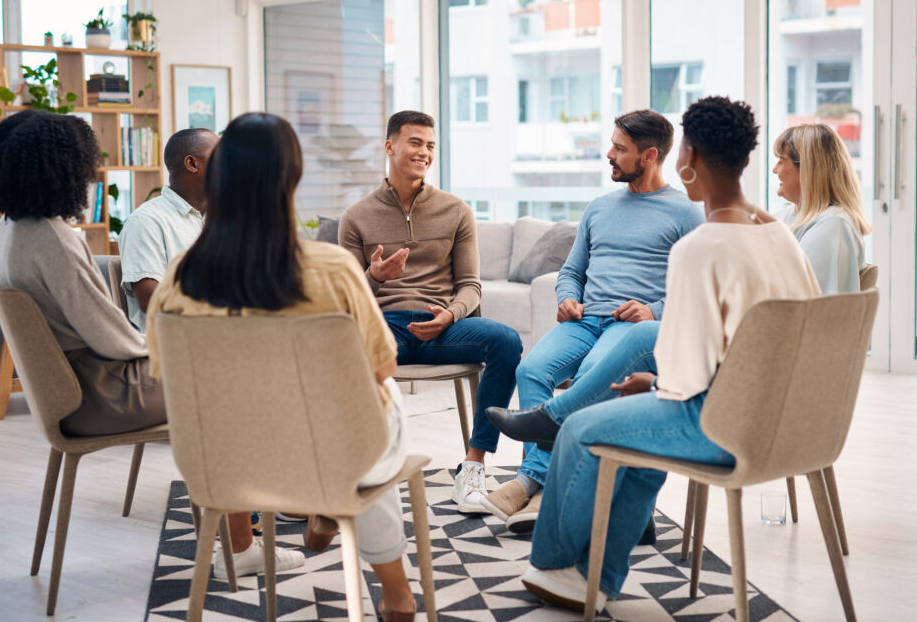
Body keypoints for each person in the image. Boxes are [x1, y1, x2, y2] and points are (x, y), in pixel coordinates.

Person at [516, 97, 820, 614]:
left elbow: (685, 374)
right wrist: (656, 386)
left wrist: (654, 385)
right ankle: (601, 575)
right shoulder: (778, 234)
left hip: (726, 424)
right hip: (791, 424)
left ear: (687, 160)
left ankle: (557, 567)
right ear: (746, 159)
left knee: (580, 428)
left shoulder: (700, 247)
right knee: (634, 434)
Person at [146, 112, 417, 621]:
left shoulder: (181, 277)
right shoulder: (333, 269)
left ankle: (326, 511)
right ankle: (396, 593)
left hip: (225, 465)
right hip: (334, 455)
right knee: (374, 421)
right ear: (291, 178)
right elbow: (383, 370)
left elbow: (167, 378)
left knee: (357, 431)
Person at [482, 109, 704, 533]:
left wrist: (653, 310)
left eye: (620, 149)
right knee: (530, 368)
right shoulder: (599, 208)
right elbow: (572, 271)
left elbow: (695, 290)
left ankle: (534, 482)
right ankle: (541, 479)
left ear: (649, 155)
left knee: (586, 377)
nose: (609, 154)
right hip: (584, 322)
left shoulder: (685, 213)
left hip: (629, 330)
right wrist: (566, 298)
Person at [338, 110, 523, 515]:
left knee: (507, 340)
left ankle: (473, 467)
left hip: (444, 329)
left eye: (431, 145)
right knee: (337, 349)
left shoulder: (456, 210)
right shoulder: (355, 217)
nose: (424, 152)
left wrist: (451, 316)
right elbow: (349, 299)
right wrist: (374, 275)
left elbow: (470, 286)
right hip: (385, 327)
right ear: (390, 146)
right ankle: (362, 465)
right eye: (415, 142)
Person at [0, 110, 166, 436]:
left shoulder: (10, 228)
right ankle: (224, 482)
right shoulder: (54, 239)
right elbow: (107, 336)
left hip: (68, 394)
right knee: (221, 369)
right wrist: (159, 348)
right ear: (65, 168)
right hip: (100, 396)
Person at [118, 128, 218, 331]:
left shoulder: (219, 220)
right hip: (176, 343)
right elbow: (149, 299)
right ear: (192, 163)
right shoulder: (146, 221)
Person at [773, 123, 871, 294]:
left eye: (781, 161)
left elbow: (801, 298)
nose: (775, 169)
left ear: (807, 169)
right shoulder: (783, 217)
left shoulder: (834, 225)